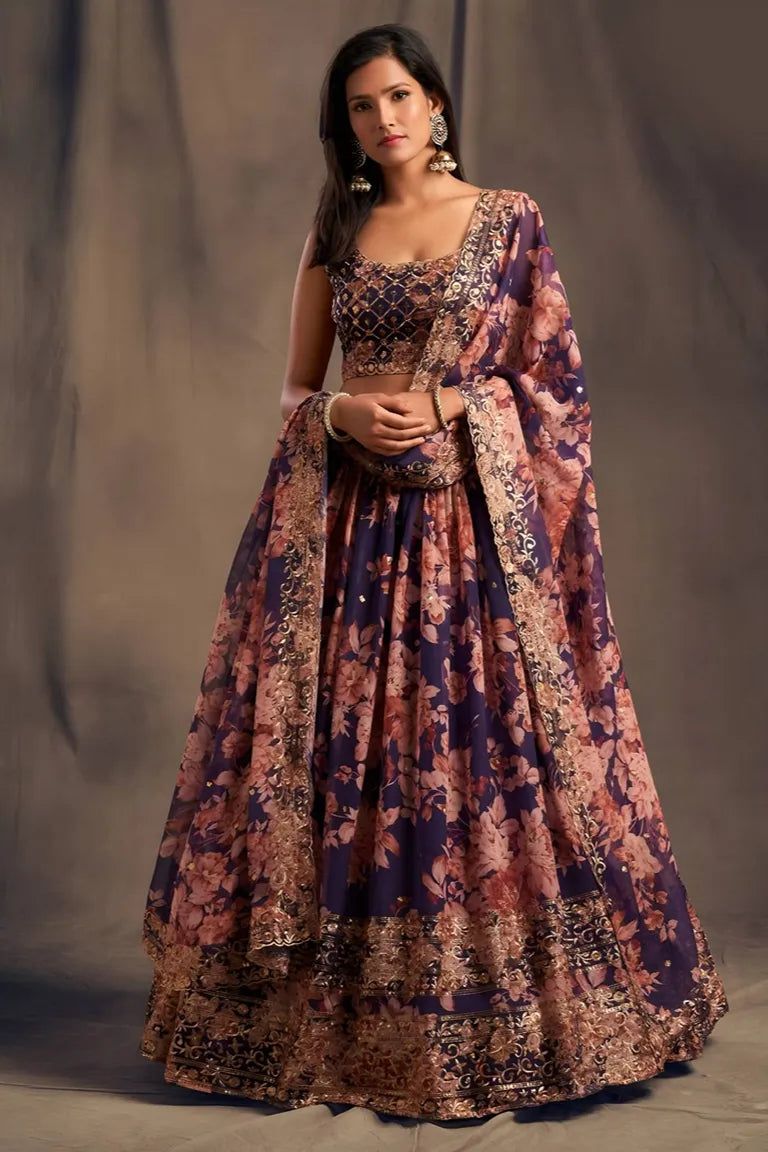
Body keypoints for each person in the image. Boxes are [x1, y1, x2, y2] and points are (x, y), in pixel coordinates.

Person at [138, 22, 727, 1121]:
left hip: (468, 538)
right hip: (346, 537)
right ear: (346, 125)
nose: (385, 119)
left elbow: (553, 384)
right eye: (362, 106)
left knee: (466, 751)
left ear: (437, 102)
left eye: (400, 96)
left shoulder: (508, 221)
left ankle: (499, 1014)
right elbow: (295, 392)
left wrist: (458, 400)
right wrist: (343, 414)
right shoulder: (336, 229)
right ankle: (336, 1026)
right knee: (342, 760)